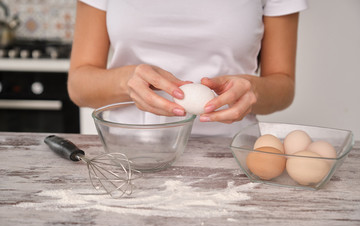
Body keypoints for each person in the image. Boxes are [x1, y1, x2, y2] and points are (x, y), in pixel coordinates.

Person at [68, 0, 308, 137]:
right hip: (131, 155)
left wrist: (251, 90)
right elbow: (79, 86)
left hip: (231, 154)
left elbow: (283, 85)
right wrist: (126, 82)